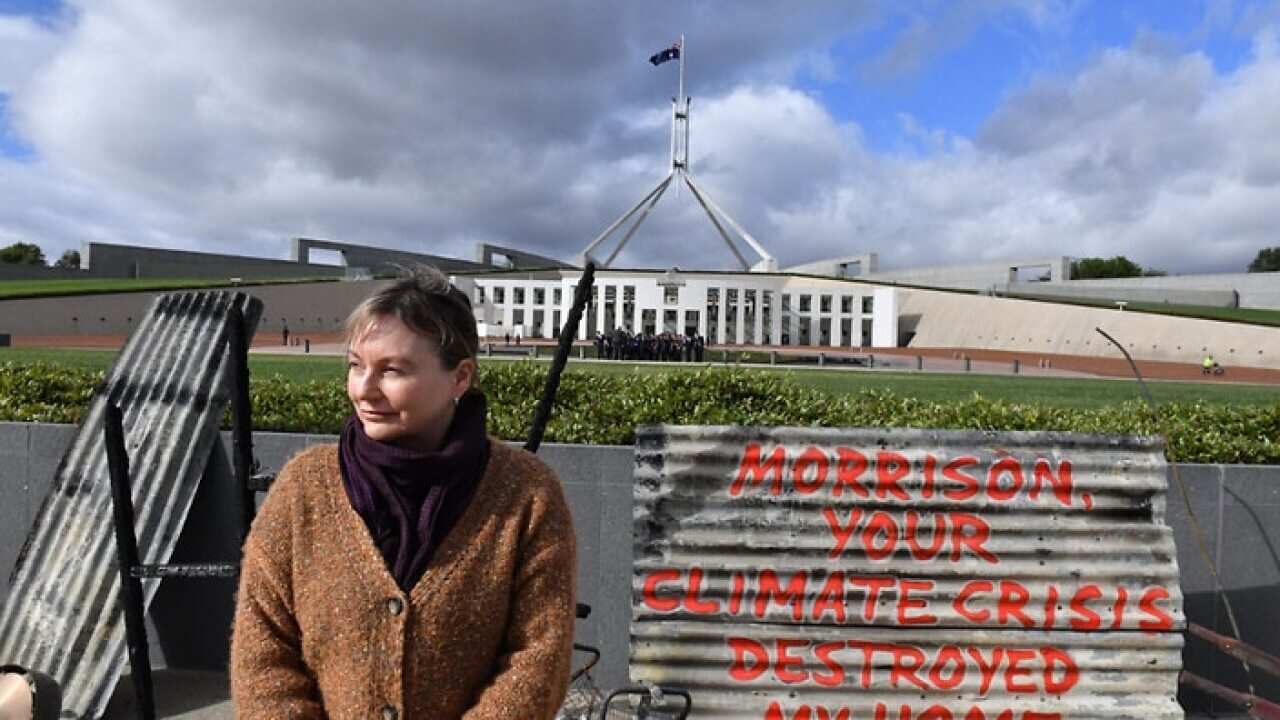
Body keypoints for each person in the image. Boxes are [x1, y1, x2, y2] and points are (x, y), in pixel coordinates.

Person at [231, 266, 576, 719]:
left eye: (392, 370)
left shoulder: (527, 495)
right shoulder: (303, 488)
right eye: (356, 366)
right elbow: (263, 650)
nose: (364, 390)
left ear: (460, 377)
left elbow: (537, 661)